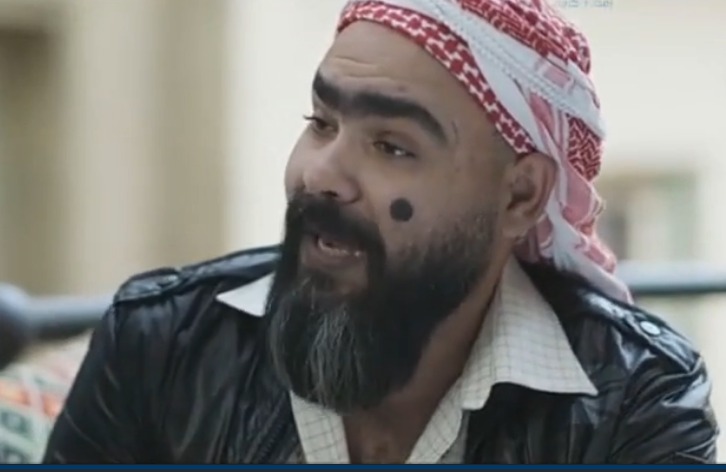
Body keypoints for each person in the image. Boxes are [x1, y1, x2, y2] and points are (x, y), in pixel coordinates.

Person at [43, 0, 718, 464]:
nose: (320, 175)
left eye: (392, 146)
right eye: (321, 123)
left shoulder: (636, 399)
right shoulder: (163, 346)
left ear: (519, 196)